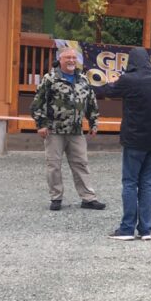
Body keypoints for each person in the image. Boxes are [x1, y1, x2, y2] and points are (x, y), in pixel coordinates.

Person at [101, 47, 151, 241]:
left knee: (130, 183)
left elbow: (107, 90)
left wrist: (112, 80)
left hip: (134, 139)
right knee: (147, 184)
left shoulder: (127, 79)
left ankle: (126, 229)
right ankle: (146, 229)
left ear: (130, 62)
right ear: (148, 61)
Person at [30, 46, 106, 212]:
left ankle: (88, 198)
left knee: (81, 164)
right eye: (68, 58)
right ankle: (56, 198)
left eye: (73, 58)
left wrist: (93, 122)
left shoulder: (83, 79)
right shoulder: (50, 79)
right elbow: (38, 103)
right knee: (54, 166)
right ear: (60, 60)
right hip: (54, 130)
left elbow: (91, 103)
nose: (71, 61)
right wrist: (40, 124)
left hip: (76, 131)